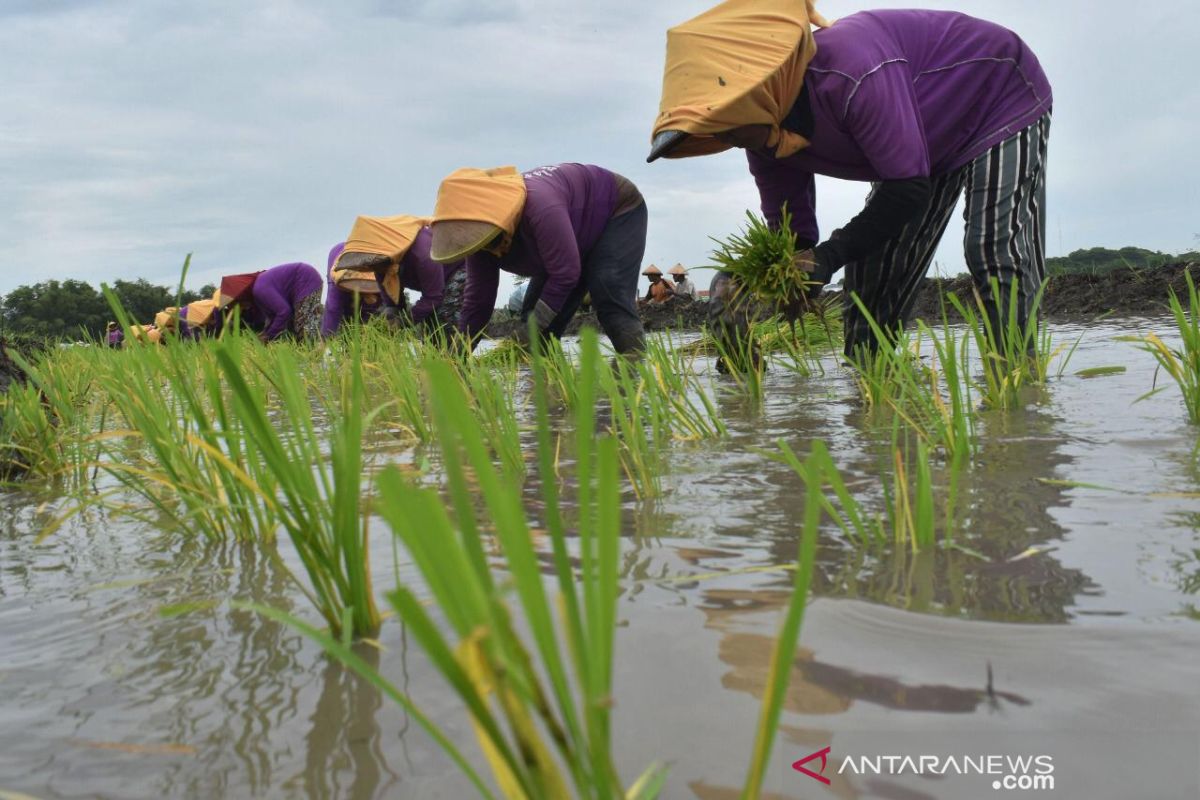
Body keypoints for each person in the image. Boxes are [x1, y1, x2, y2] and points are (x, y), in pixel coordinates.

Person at [648, 2, 1052, 358]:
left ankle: (1016, 385)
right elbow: (796, 238)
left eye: (727, 125)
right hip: (926, 138)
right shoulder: (764, 141)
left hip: (998, 94)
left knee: (994, 250)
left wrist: (829, 256)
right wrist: (771, 282)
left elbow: (906, 190)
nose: (725, 140)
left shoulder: (852, 74)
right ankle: (868, 380)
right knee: (876, 264)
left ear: (759, 94)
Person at [429, 163, 647, 354]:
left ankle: (634, 363)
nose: (493, 253)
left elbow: (566, 274)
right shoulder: (480, 242)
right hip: (570, 238)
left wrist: (529, 332)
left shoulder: (540, 207)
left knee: (608, 289)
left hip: (615, 211)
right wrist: (458, 354)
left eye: (493, 242)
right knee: (534, 315)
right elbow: (478, 301)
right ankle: (553, 393)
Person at [325, 215, 466, 339]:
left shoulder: (422, 254)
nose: (372, 269)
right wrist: (389, 317)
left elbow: (433, 297)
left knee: (444, 321)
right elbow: (392, 302)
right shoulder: (380, 266)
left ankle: (455, 363)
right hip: (435, 288)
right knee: (429, 329)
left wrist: (404, 321)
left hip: (460, 270)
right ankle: (435, 363)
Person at [215, 263, 324, 342]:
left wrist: (268, 335)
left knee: (304, 328)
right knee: (293, 330)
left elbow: (284, 312)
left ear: (241, 297)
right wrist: (265, 333)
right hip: (297, 289)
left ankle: (316, 358)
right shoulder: (257, 298)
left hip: (306, 280)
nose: (244, 308)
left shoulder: (259, 289)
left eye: (240, 305)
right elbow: (273, 317)